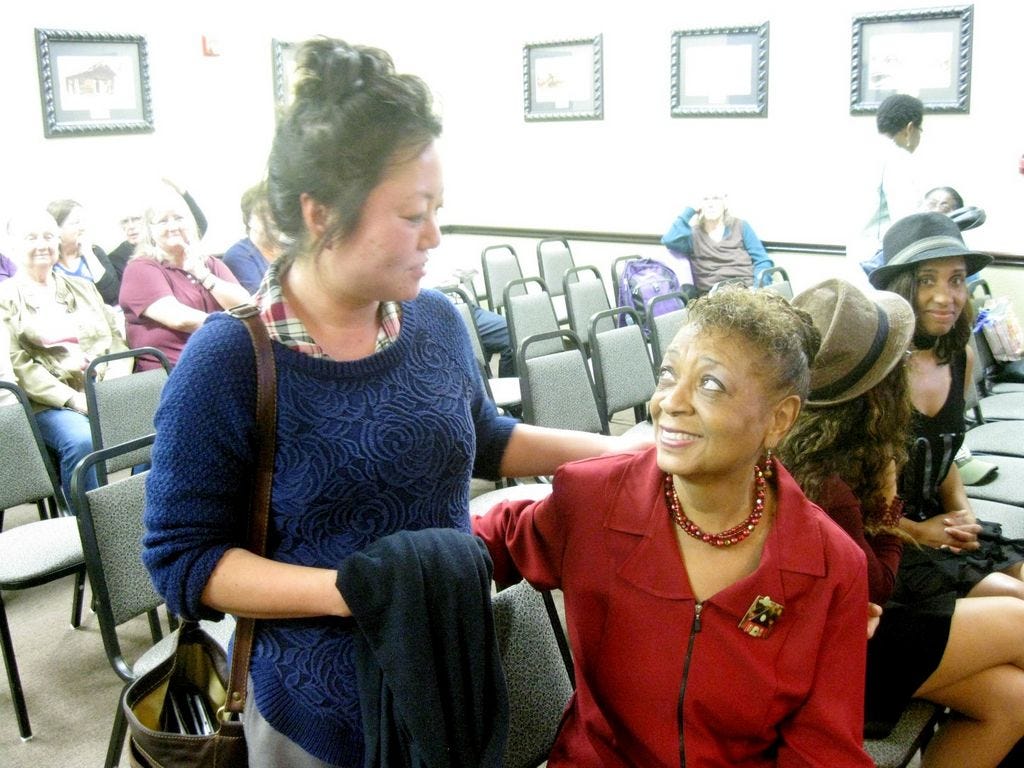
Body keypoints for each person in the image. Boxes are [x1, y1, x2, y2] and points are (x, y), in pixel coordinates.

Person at [141, 38, 648, 768]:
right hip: (319, 713)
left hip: (448, 672)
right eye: (414, 215)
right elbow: (183, 562)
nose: (436, 237)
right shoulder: (229, 361)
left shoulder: (436, 319)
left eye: (439, 209)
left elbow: (484, 435)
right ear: (320, 214)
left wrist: (618, 451)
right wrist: (354, 591)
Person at [474, 286, 874, 766]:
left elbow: (822, 751)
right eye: (668, 374)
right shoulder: (591, 502)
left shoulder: (831, 566)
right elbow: (490, 538)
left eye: (710, 384)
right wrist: (385, 565)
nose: (669, 403)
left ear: (778, 419)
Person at [782, 277, 1024, 768]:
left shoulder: (832, 449)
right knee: (1019, 621)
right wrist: (891, 503)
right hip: (838, 653)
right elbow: (877, 587)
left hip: (855, 626)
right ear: (877, 389)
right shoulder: (827, 484)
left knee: (1012, 700)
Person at [868, 212, 1024, 600]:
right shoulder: (877, 373)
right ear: (902, 288)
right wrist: (923, 532)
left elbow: (945, 454)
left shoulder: (960, 358)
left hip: (937, 523)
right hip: (889, 541)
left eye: (956, 279)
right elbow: (854, 502)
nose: (945, 296)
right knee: (1014, 599)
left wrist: (962, 514)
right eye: (926, 280)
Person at [0, 210, 133, 504]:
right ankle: (90, 527)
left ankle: (140, 507)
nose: (42, 244)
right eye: (31, 237)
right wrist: (73, 399)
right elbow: (20, 365)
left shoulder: (82, 287)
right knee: (82, 439)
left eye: (48, 236)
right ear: (13, 245)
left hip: (99, 385)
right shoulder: (5, 297)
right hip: (47, 401)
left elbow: (115, 339)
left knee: (156, 420)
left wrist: (113, 385)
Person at [118, 189, 250, 370]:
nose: (173, 227)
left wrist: (202, 274)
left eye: (179, 218)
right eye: (163, 221)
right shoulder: (140, 269)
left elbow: (246, 305)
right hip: (174, 371)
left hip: (221, 360)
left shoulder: (208, 263)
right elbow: (180, 319)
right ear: (150, 231)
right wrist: (234, 324)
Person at [849, 93, 925, 281]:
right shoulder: (897, 158)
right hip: (882, 264)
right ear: (909, 129)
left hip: (858, 258)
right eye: (920, 130)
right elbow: (906, 221)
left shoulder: (862, 153)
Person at [660, 192, 773, 294]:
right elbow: (669, 240)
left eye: (715, 198)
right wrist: (689, 210)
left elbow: (763, 261)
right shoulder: (692, 234)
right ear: (699, 205)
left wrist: (758, 289)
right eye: (705, 199)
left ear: (725, 203)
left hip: (746, 291)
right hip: (713, 298)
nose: (710, 204)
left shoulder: (741, 226)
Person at [107, 178, 209, 282]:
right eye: (125, 222)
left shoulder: (165, 242)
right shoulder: (116, 258)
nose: (130, 226)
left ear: (148, 221)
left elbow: (199, 226)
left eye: (136, 219)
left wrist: (182, 192)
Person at [46, 198, 121, 306]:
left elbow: (113, 295)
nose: (82, 227)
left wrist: (89, 254)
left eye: (83, 221)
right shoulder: (48, 261)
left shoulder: (95, 252)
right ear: (56, 229)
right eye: (75, 222)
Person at [222, 181, 285, 294]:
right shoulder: (238, 256)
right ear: (249, 219)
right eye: (264, 212)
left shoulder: (289, 246)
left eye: (276, 210)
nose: (272, 218)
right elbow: (262, 299)